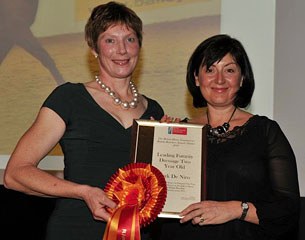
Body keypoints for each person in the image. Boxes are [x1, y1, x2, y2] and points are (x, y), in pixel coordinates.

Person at [3, 2, 164, 240]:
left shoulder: (156, 111)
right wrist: (83, 192)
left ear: (139, 45)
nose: (122, 50)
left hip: (136, 235)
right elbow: (15, 174)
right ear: (94, 48)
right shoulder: (69, 98)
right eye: (110, 40)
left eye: (129, 39)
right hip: (75, 230)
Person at [157, 34, 300, 240]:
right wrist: (157, 144)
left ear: (242, 79)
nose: (219, 80)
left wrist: (235, 209)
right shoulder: (177, 132)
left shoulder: (265, 131)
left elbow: (288, 209)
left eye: (230, 70)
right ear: (197, 78)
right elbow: (156, 203)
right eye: (210, 70)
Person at [0, 0, 65, 85]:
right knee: (40, 52)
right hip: (16, 27)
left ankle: (60, 80)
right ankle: (60, 81)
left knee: (40, 53)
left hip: (9, 28)